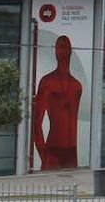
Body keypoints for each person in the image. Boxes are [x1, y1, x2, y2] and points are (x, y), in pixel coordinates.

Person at [32, 35, 83, 170]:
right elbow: (36, 123)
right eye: (59, 47)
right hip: (53, 149)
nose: (62, 51)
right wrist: (45, 155)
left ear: (71, 51)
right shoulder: (47, 82)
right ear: (55, 51)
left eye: (65, 47)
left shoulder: (77, 86)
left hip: (71, 151)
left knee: (72, 188)